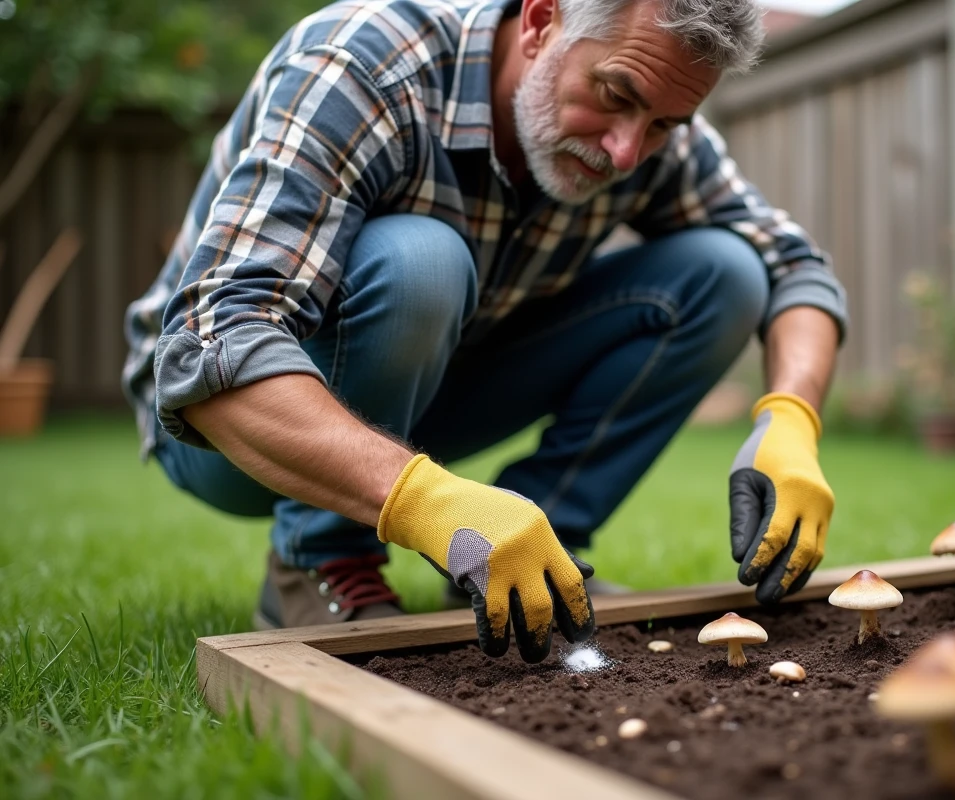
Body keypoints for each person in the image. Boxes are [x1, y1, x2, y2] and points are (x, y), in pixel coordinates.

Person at [122, 0, 846, 664]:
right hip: (230, 430)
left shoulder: (649, 122)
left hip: (434, 396)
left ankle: (539, 557)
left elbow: (794, 266)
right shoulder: (367, 64)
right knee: (420, 261)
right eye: (615, 97)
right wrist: (427, 502)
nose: (627, 152)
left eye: (661, 125)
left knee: (728, 272)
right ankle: (322, 559)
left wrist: (792, 416)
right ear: (539, 22)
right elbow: (212, 347)